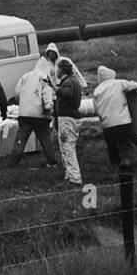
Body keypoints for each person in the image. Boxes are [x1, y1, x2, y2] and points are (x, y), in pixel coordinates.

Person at [8, 61, 59, 168]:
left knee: (20, 140)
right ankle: (52, 161)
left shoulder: (25, 76)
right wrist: (49, 108)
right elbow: (47, 93)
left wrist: (22, 104)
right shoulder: (44, 77)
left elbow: (17, 93)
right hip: (39, 115)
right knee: (45, 140)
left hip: (24, 114)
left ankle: (13, 163)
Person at [92, 66, 137, 171]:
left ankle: (115, 166)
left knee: (112, 146)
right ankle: (128, 164)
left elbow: (96, 109)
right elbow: (136, 86)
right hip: (122, 121)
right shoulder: (119, 83)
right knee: (126, 143)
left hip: (107, 124)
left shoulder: (97, 90)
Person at [53, 57, 85, 185]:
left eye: (58, 69)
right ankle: (70, 175)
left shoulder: (68, 83)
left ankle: (75, 178)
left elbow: (66, 94)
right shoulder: (74, 81)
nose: (57, 72)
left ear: (61, 69)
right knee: (67, 147)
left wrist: (55, 88)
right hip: (71, 118)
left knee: (67, 148)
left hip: (67, 119)